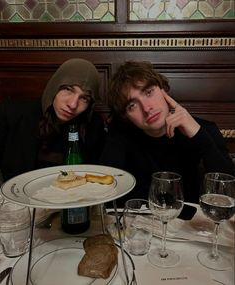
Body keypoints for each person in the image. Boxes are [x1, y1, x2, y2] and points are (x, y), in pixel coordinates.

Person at [100, 61, 235, 205]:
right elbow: (106, 193)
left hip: (190, 224)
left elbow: (229, 195)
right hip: (140, 222)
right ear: (126, 116)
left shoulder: (205, 130)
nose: (146, 108)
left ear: (163, 89)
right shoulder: (121, 134)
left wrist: (199, 136)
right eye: (132, 105)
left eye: (149, 92)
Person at [0, 58, 106, 181]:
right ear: (54, 86)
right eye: (68, 89)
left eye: (84, 98)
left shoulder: (94, 127)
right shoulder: (12, 114)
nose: (72, 104)